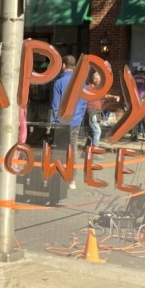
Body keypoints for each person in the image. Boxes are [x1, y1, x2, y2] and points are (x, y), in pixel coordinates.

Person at [50, 54, 84, 192]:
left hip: (62, 121)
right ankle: (71, 178)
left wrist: (54, 122)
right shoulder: (81, 82)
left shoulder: (59, 82)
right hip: (76, 120)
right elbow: (84, 102)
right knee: (72, 148)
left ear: (63, 66)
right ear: (74, 67)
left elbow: (55, 105)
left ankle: (59, 175)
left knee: (59, 149)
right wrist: (80, 116)